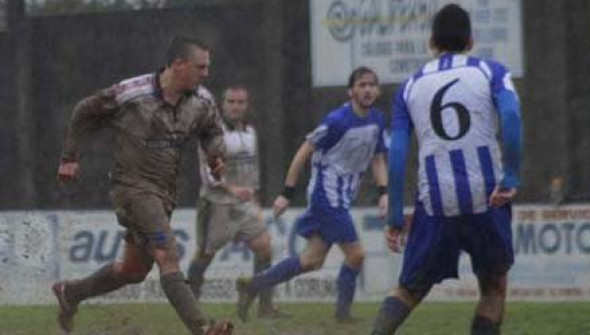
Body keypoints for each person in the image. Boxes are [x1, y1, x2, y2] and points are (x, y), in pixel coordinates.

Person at [52, 36, 233, 334]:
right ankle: (203, 328)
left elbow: (212, 131)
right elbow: (85, 110)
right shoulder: (131, 94)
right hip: (131, 188)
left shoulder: (202, 100)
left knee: (132, 271)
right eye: (201, 67)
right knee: (168, 254)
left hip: (164, 194)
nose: (206, 74)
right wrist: (69, 157)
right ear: (178, 64)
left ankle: (70, 293)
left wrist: (216, 154)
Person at [371, 4, 523, 335]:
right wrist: (510, 176)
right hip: (488, 196)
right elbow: (511, 118)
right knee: (494, 287)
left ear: (431, 42)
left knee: (408, 291)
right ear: (470, 40)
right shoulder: (492, 71)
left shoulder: (409, 87)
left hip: (437, 202)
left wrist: (395, 217)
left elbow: (397, 154)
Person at [235, 66, 388, 323]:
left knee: (311, 260)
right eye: (361, 85)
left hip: (342, 198)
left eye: (372, 85)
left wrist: (384, 192)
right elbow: (304, 151)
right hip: (326, 196)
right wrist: (286, 193)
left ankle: (253, 286)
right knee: (356, 254)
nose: (367, 89)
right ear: (351, 91)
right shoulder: (336, 121)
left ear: (378, 90)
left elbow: (377, 158)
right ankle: (342, 315)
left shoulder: (377, 120)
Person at [187, 85, 285, 318]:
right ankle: (189, 308)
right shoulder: (212, 132)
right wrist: (232, 189)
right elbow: (208, 173)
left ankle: (263, 306)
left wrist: (255, 198)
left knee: (264, 248)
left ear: (247, 105)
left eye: (241, 102)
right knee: (204, 255)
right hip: (217, 203)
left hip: (244, 204)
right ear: (223, 104)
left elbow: (252, 169)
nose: (236, 106)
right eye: (231, 101)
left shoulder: (250, 131)